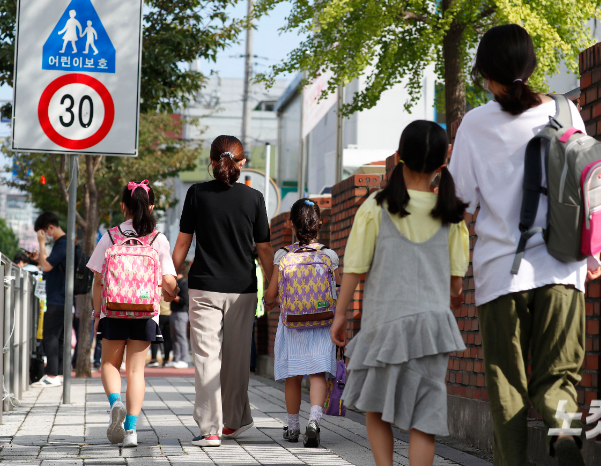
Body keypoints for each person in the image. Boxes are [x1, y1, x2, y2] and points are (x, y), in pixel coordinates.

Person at [449, 24, 601, 466]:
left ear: (487, 76)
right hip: (564, 268)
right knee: (558, 384)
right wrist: (592, 254)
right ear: (531, 67)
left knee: (507, 390)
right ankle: (567, 445)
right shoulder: (568, 112)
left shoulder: (476, 123)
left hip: (501, 276)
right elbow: (585, 186)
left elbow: (461, 202)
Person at [331, 120, 469, 466]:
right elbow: (457, 286)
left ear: (399, 157)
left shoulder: (376, 206)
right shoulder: (453, 216)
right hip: (434, 331)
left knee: (377, 407)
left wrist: (340, 314)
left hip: (384, 324)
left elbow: (355, 268)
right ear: (443, 162)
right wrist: (452, 296)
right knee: (425, 417)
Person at [172, 135, 274, 447]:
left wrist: (169, 278)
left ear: (213, 161)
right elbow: (265, 250)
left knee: (206, 357)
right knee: (237, 357)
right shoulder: (254, 198)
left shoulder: (196, 193)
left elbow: (183, 244)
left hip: (204, 287)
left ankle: (210, 429)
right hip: (243, 288)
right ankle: (236, 421)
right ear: (242, 164)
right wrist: (273, 285)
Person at [86, 180, 179, 448]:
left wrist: (97, 313)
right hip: (145, 313)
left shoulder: (110, 236)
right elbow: (169, 281)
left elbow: (98, 280)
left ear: (123, 206)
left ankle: (116, 403)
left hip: (113, 310)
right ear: (151, 206)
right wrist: (171, 292)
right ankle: (131, 432)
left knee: (109, 365)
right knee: (136, 371)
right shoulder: (157, 239)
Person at [264, 199, 339, 447]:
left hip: (292, 323)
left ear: (291, 225)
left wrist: (269, 300)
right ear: (319, 223)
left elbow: (272, 294)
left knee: (293, 375)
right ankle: (314, 421)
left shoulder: (283, 255)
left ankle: (293, 427)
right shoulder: (328, 255)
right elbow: (334, 293)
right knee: (318, 373)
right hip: (322, 321)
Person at [28, 212, 67, 388]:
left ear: (49, 228)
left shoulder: (62, 243)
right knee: (57, 337)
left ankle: (51, 374)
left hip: (57, 298)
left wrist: (42, 244)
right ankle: (58, 374)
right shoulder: (63, 244)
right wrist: (39, 257)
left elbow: (47, 266)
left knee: (50, 336)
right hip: (61, 297)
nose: (43, 236)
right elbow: (48, 264)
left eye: (43, 232)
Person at [167, 263, 190, 369]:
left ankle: (184, 360)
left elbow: (185, 300)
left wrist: (172, 296)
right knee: (174, 337)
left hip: (181, 313)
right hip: (174, 312)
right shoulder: (177, 283)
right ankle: (176, 359)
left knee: (181, 337)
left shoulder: (184, 283)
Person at [147, 299, 173, 368]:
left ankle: (154, 359)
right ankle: (166, 360)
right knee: (167, 339)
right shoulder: (170, 290)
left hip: (160, 315)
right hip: (169, 314)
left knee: (156, 337)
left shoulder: (159, 289)